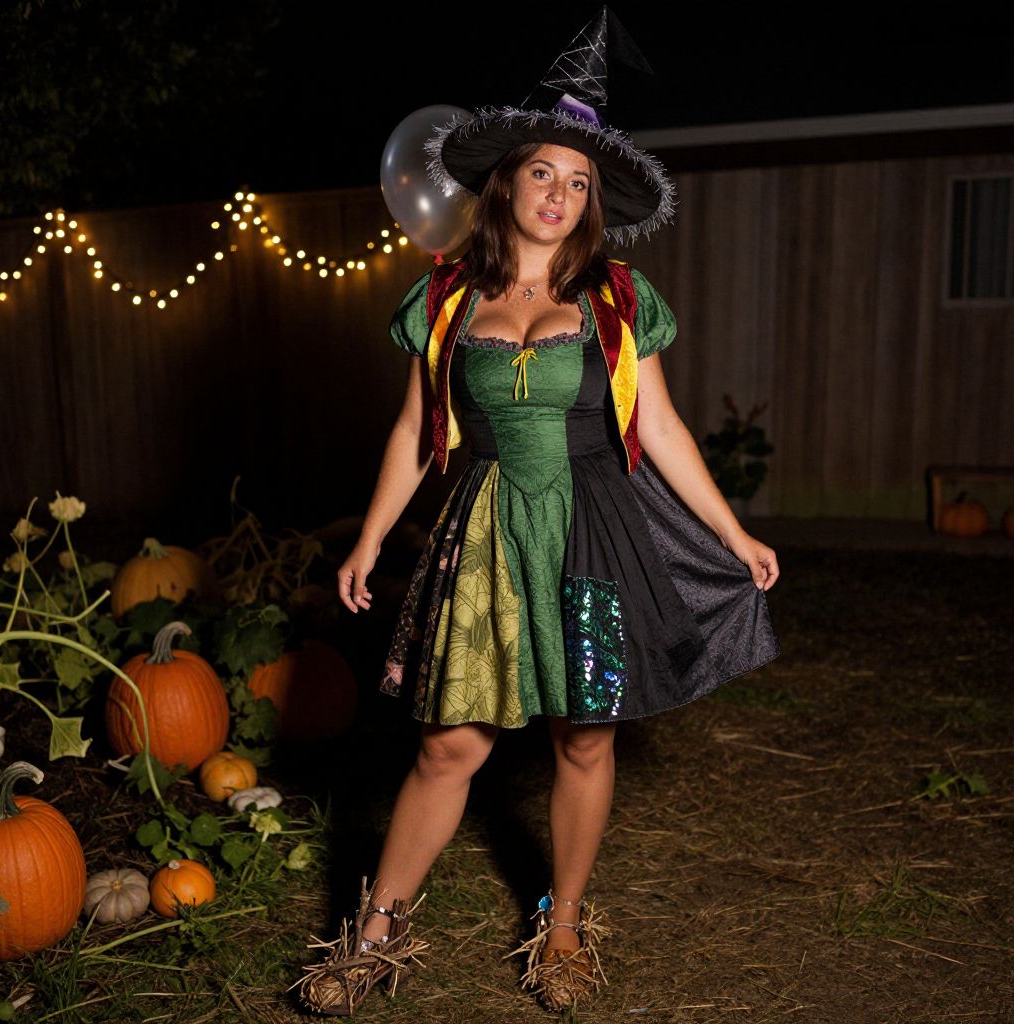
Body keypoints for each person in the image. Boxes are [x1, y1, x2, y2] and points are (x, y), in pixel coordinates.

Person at [293, 8, 780, 1017]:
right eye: (543, 172)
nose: (559, 193)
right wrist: (375, 532)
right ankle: (375, 931)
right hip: (482, 537)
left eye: (578, 181)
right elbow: (412, 430)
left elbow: (669, 428)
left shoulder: (614, 297)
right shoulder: (443, 301)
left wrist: (733, 532)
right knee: (449, 743)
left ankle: (561, 929)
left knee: (585, 735)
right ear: (505, 180)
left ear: (591, 200)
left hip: (595, 533)